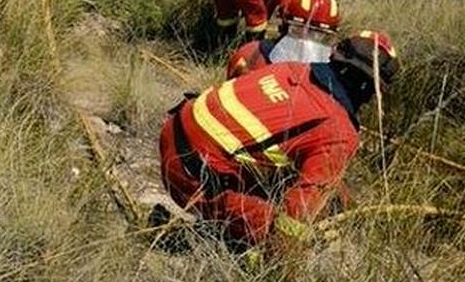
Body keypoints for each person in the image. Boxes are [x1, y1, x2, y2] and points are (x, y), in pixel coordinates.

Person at [158, 31, 398, 253]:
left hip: (173, 131)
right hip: (190, 179)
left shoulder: (293, 69)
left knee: (283, 183)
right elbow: (296, 218)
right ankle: (199, 239)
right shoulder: (339, 132)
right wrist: (285, 276)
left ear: (336, 54)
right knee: (286, 236)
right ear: (374, 91)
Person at [226, 0, 341, 78]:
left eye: (317, 33)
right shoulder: (250, 55)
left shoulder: (332, 77)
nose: (305, 37)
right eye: (298, 29)